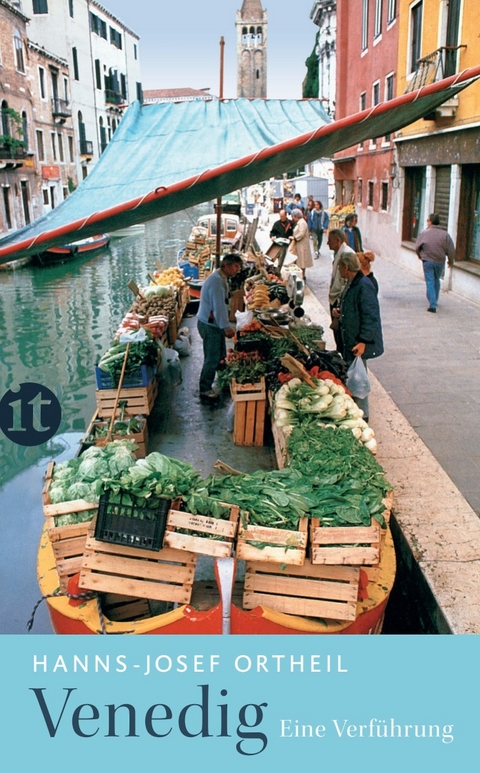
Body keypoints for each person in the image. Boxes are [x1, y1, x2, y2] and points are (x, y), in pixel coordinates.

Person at [334, 252, 384, 421]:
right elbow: (353, 309)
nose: (339, 270)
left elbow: (371, 317)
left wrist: (364, 341)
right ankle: (354, 412)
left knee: (359, 378)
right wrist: (340, 313)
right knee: (352, 375)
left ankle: (363, 417)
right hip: (350, 341)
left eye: (340, 267)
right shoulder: (352, 283)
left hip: (357, 343)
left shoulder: (364, 285)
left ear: (346, 267)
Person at [197, 253, 243, 401]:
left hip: (212, 323)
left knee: (221, 353)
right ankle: (205, 389)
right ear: (227, 265)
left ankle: (224, 379)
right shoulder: (217, 281)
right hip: (209, 325)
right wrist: (226, 327)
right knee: (212, 357)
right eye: (236, 266)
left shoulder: (220, 277)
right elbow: (219, 307)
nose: (238, 270)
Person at [415, 213, 456, 313]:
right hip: (439, 261)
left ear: (431, 222)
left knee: (429, 281)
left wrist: (420, 255)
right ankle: (435, 299)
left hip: (427, 261)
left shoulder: (424, 233)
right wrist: (450, 261)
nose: (427, 222)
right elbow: (451, 250)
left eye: (428, 220)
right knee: (436, 280)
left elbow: (417, 247)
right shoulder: (445, 235)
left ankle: (432, 304)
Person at [327, 228, 356, 349]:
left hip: (340, 301)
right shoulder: (338, 252)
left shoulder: (347, 254)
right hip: (335, 299)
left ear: (338, 240)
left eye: (330, 241)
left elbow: (346, 282)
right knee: (337, 335)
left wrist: (339, 305)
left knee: (341, 336)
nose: (327, 243)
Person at [289, 208, 312, 280]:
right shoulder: (299, 222)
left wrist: (295, 238)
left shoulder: (302, 223)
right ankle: (300, 274)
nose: (292, 218)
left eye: (293, 216)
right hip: (299, 244)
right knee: (300, 260)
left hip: (302, 245)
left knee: (302, 261)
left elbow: (301, 233)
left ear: (296, 216)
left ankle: (302, 275)